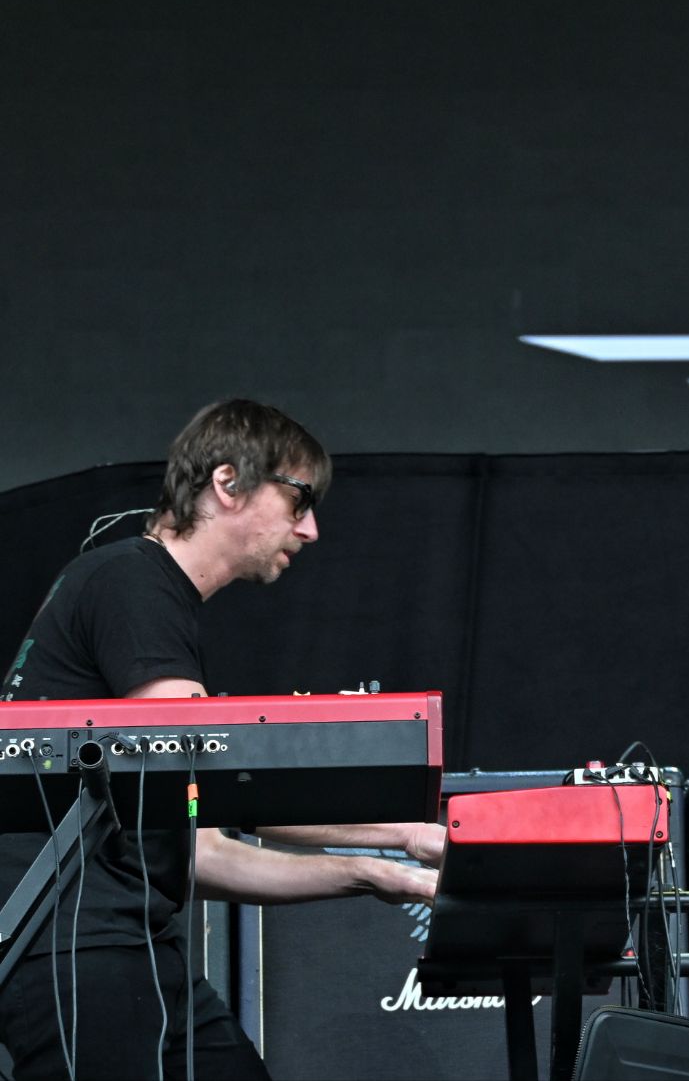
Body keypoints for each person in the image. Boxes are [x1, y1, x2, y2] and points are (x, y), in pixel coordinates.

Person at [0, 399, 445, 1081]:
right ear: (228, 482)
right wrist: (406, 834)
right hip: (76, 946)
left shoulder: (142, 593)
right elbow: (211, 782)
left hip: (133, 944)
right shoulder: (132, 580)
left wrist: (378, 870)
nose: (311, 528)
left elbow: (204, 849)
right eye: (299, 499)